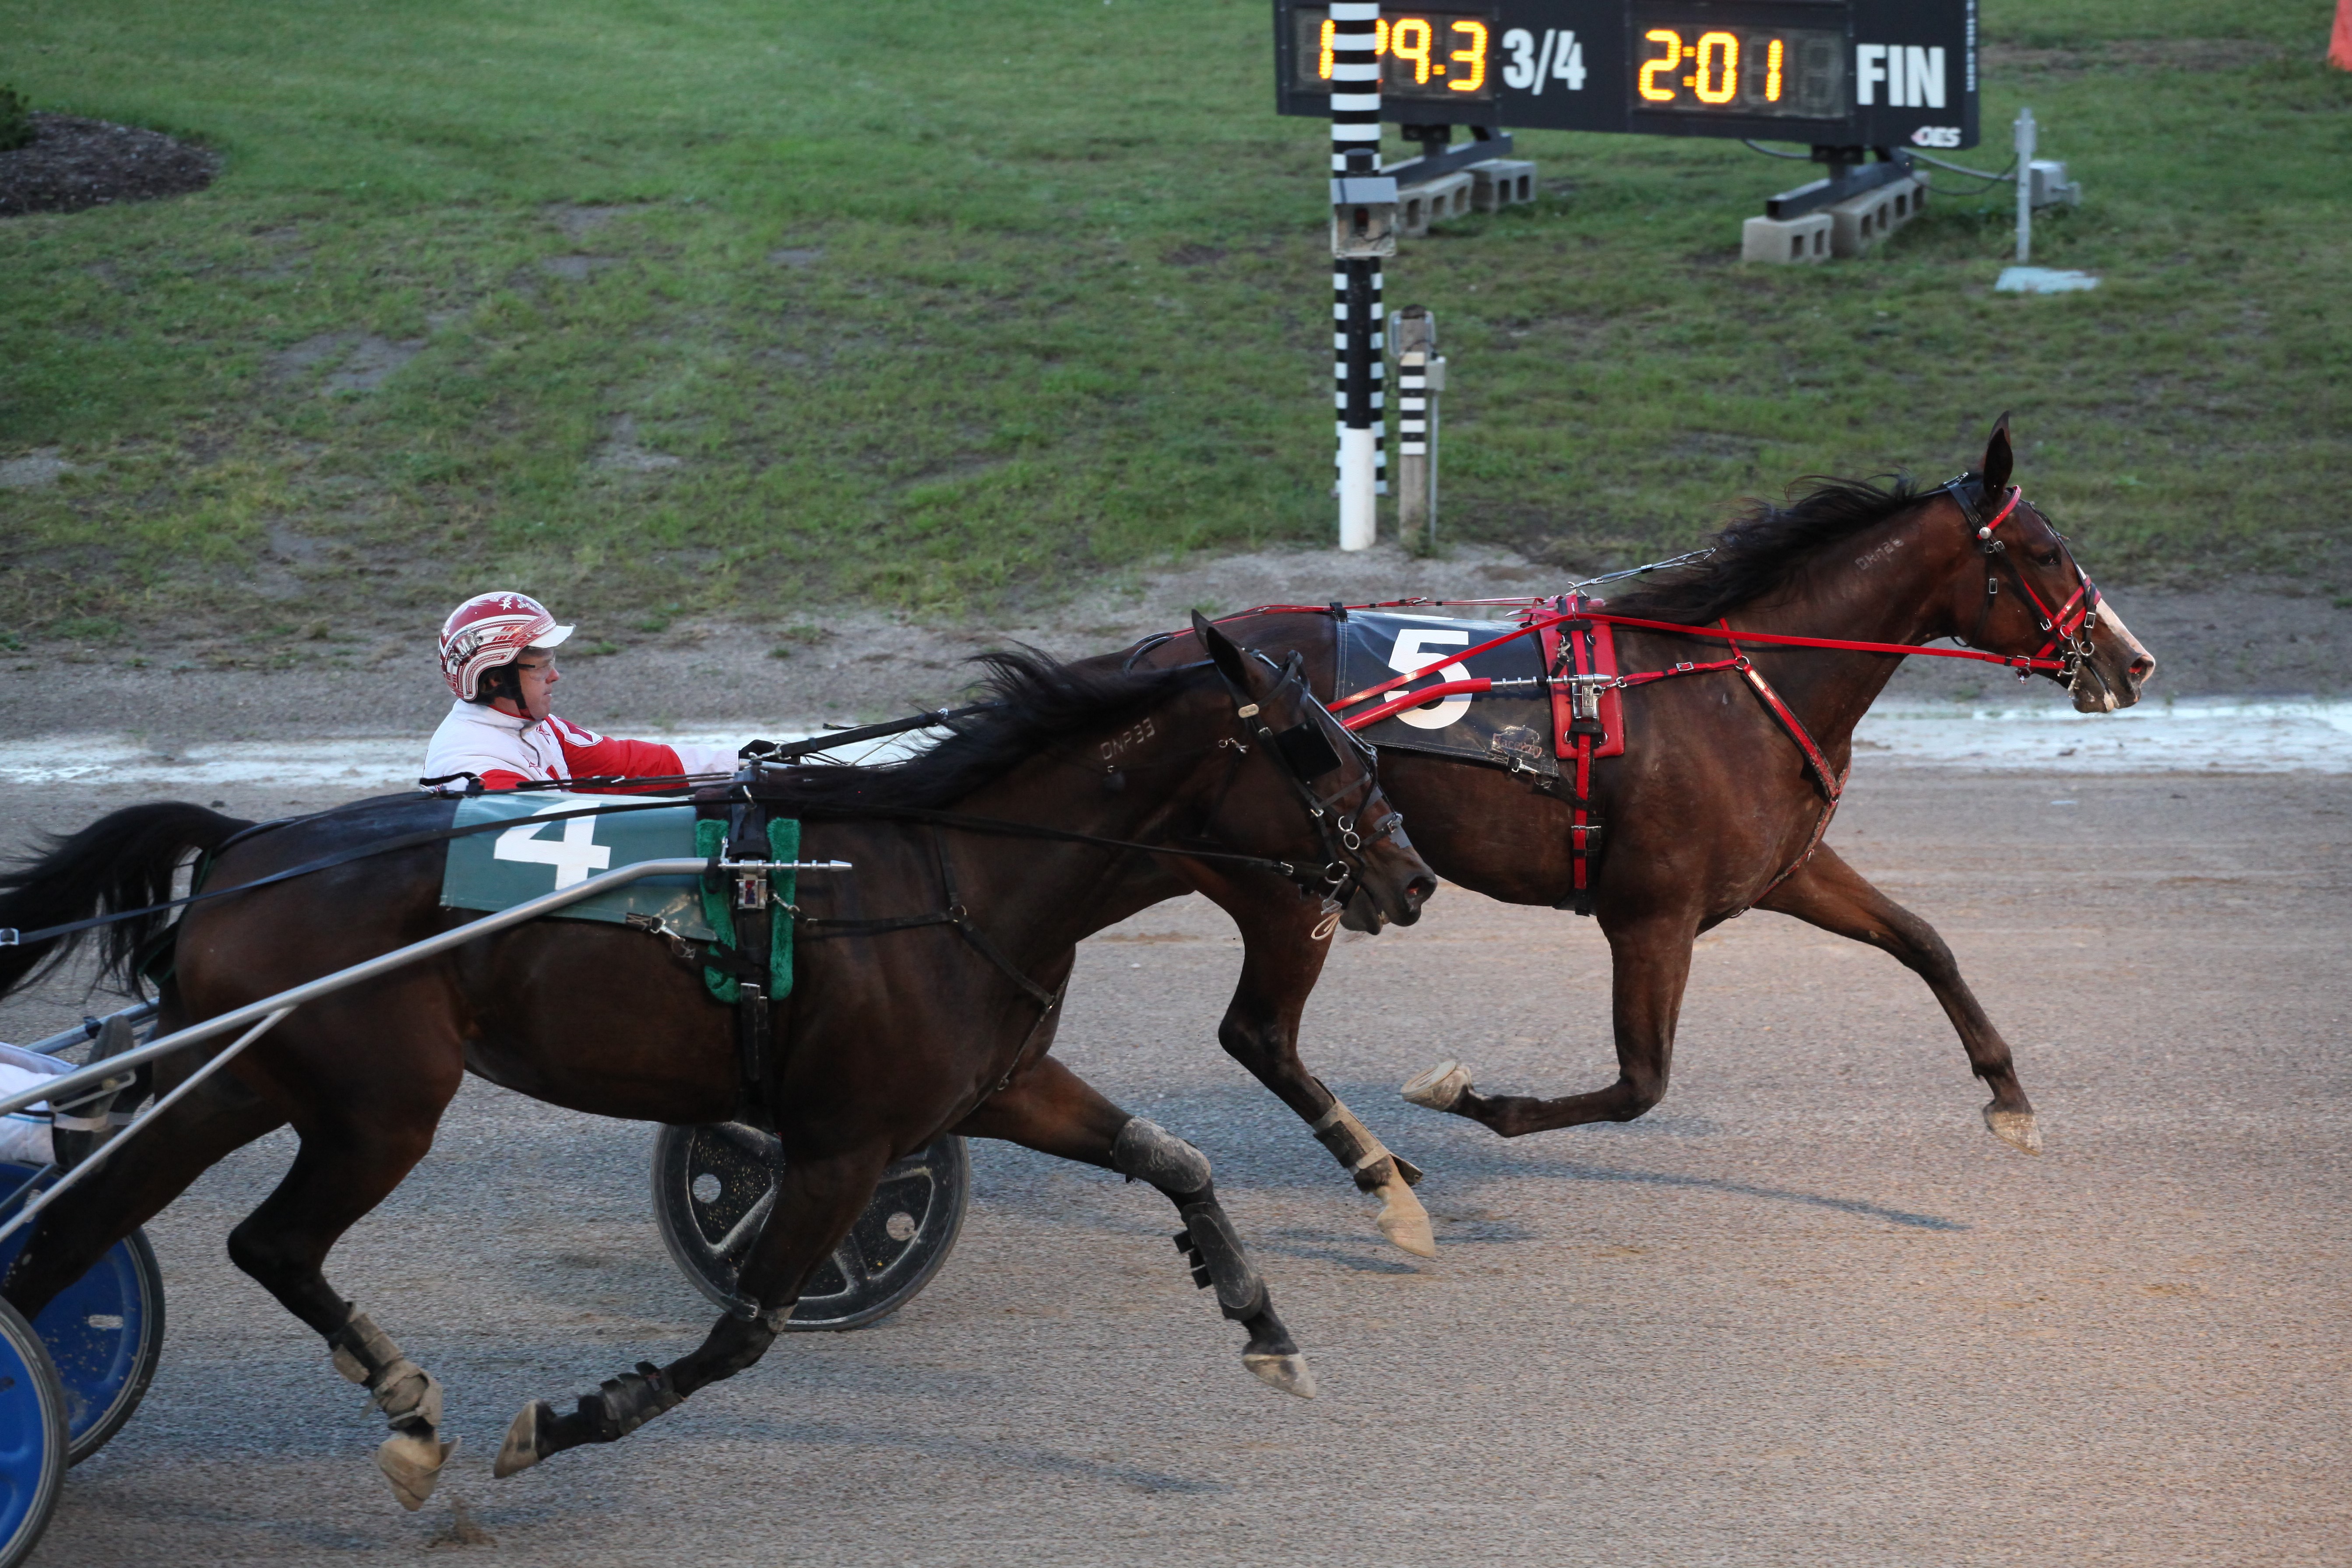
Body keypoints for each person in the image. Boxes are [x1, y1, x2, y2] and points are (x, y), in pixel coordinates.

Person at [424, 592, 746, 792]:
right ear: (494, 679)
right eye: (540, 665)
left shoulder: (536, 727)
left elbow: (625, 763)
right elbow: (553, 838)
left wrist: (744, 763)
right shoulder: (472, 766)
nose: (556, 676)